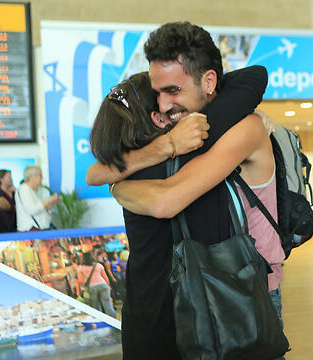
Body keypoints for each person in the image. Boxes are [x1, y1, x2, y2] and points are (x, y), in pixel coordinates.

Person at [85, 23, 268, 358]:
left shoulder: (229, 128)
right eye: (158, 95)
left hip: (232, 300)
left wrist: (119, 187)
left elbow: (160, 199)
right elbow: (95, 173)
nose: (166, 105)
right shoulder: (168, 147)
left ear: (209, 81)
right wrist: (167, 144)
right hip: (184, 309)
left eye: (172, 90)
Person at [15, 165, 61, 231]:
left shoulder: (33, 191)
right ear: (32, 176)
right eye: (40, 175)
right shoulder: (24, 189)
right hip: (31, 231)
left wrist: (52, 202)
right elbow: (32, 210)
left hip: (40, 229)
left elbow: (41, 209)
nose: (42, 178)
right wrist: (49, 201)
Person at [76, 252, 117, 318]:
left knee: (96, 307)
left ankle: (100, 322)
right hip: (103, 285)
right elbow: (105, 278)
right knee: (108, 305)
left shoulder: (80, 268)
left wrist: (84, 286)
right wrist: (108, 286)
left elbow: (80, 281)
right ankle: (114, 322)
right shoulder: (98, 265)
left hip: (91, 288)